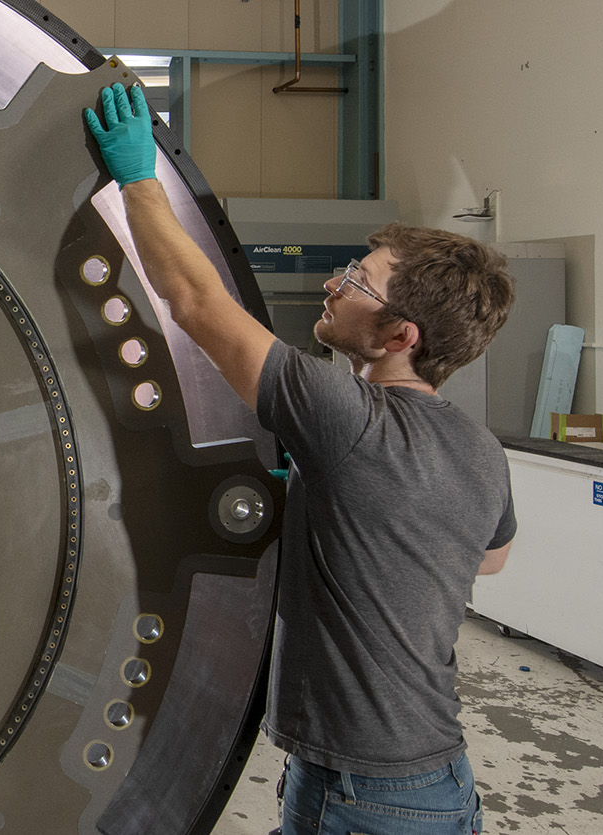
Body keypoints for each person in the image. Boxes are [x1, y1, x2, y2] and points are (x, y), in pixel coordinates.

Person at [85, 85, 516, 835]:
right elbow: (491, 559)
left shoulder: (344, 418)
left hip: (359, 791)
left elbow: (193, 302)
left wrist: (135, 179)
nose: (332, 283)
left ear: (399, 335)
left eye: (355, 281)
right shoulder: (478, 448)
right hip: (439, 777)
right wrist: (356, 514)